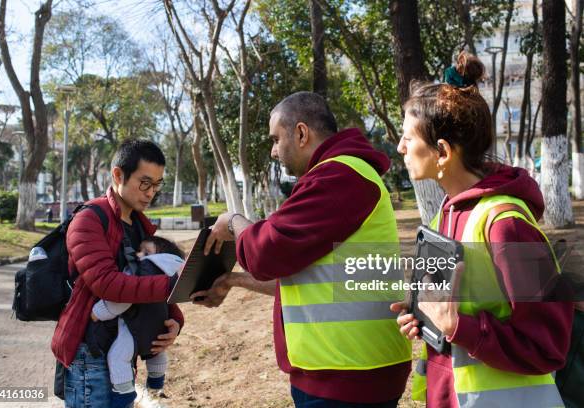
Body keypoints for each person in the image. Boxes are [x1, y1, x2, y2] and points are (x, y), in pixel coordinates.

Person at [194, 91, 412, 407]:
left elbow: (264, 252)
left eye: (275, 139)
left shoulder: (339, 176)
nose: (272, 151)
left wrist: (233, 221)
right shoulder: (343, 176)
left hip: (347, 376)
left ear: (300, 133)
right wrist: (233, 280)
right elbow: (311, 278)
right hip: (347, 371)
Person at [391, 52, 573, 407]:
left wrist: (460, 327)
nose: (400, 148)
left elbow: (548, 346)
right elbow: (458, 312)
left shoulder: (506, 226)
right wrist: (424, 314)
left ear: (441, 152)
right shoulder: (447, 212)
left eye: (407, 139)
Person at [51, 139, 184, 408]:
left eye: (157, 185)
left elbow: (149, 278)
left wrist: (175, 321)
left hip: (124, 348)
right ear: (118, 175)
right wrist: (174, 285)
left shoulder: (139, 227)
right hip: (91, 354)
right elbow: (107, 284)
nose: (150, 193)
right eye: (144, 183)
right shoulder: (88, 220)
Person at [90, 236, 185, 408]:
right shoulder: (171, 274)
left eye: (146, 252)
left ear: (160, 256)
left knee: (118, 357)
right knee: (157, 352)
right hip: (159, 329)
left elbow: (123, 299)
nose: (139, 255)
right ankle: (156, 383)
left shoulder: (144, 268)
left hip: (135, 330)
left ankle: (124, 394)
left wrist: (98, 312)